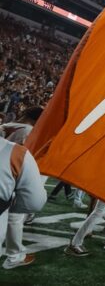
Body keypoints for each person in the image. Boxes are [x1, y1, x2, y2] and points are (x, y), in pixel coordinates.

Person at [0, 106, 45, 270]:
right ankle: (14, 255)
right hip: (14, 172)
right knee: (16, 215)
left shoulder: (9, 125)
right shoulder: (28, 130)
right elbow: (27, 154)